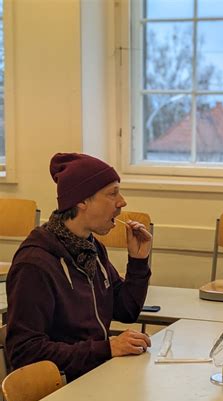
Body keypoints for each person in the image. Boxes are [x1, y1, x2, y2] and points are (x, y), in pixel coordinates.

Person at [6, 152, 153, 381]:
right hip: (60, 391)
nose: (121, 202)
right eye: (112, 193)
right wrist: (107, 349)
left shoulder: (90, 247)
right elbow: (25, 351)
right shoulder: (35, 264)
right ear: (82, 201)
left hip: (94, 376)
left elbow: (126, 310)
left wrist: (138, 261)